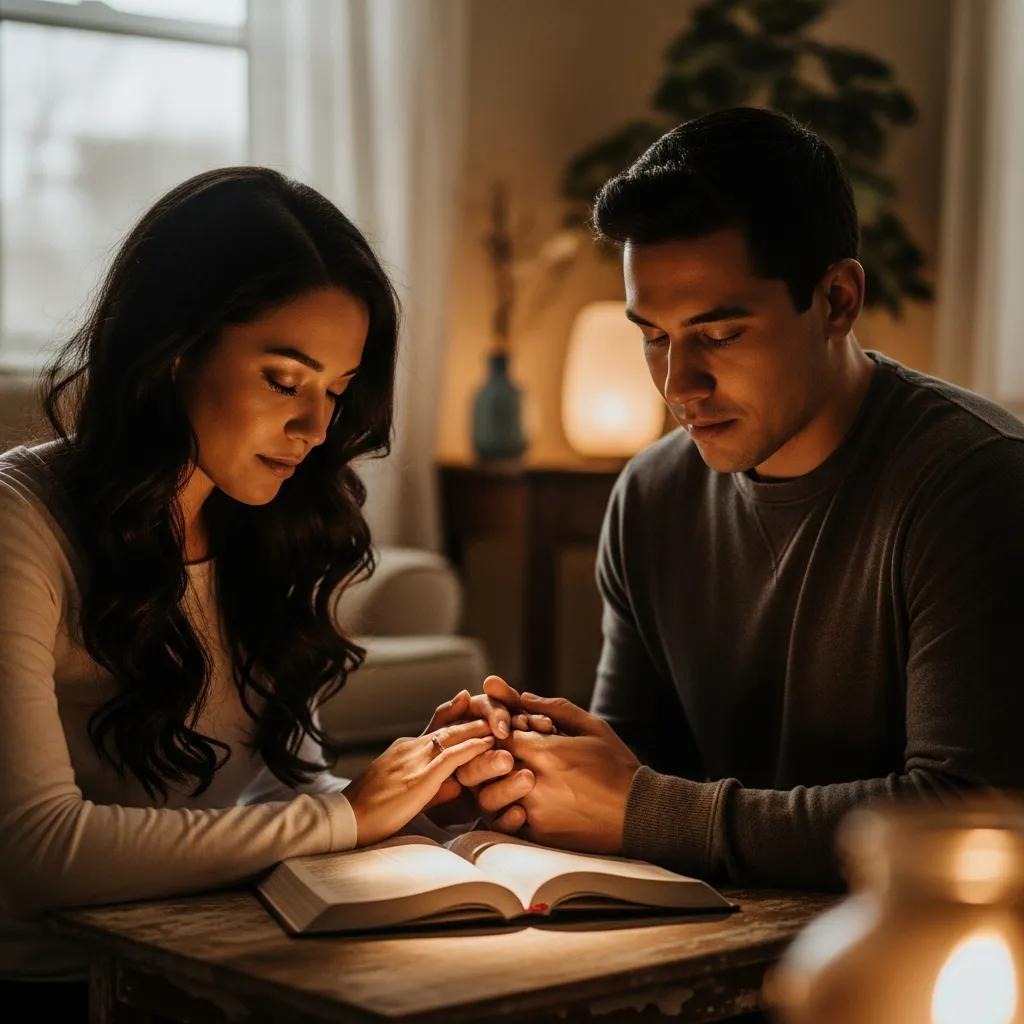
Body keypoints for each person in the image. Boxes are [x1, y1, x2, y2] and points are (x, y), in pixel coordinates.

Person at [0, 167, 518, 1015]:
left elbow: (286, 788)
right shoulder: (20, 519)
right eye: (285, 380)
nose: (317, 431)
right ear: (174, 350)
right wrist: (350, 817)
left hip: (222, 959)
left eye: (336, 393)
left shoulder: (265, 524)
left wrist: (423, 800)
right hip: (60, 982)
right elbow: (38, 851)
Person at [468, 107, 1024, 889]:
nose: (676, 386)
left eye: (719, 335)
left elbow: (964, 816)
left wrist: (643, 810)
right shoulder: (652, 496)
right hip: (712, 946)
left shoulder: (977, 483)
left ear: (836, 300)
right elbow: (638, 774)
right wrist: (530, 767)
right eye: (653, 335)